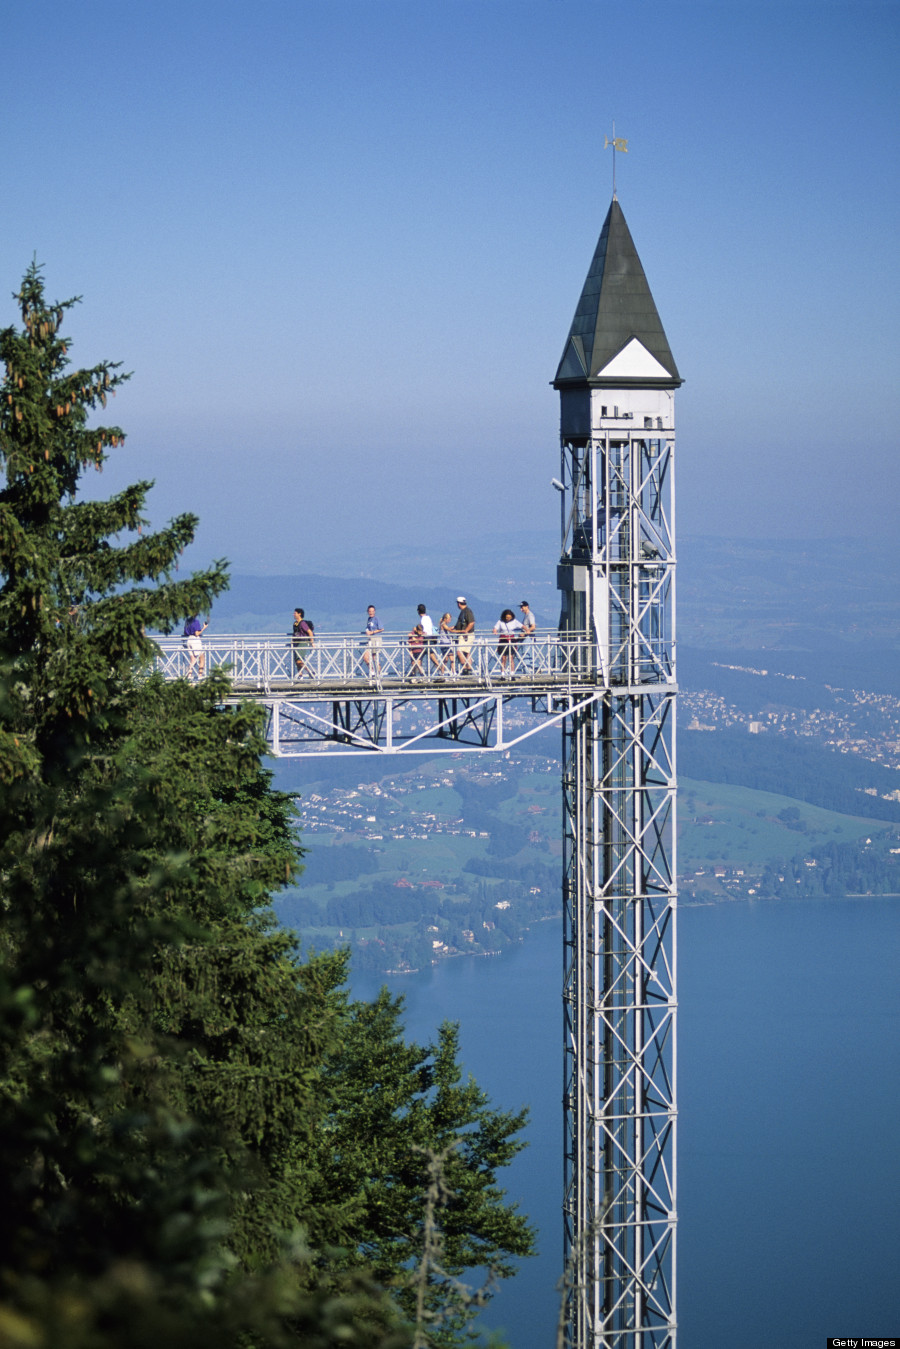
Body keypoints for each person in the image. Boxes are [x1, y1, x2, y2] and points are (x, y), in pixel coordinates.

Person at [493, 608, 523, 675]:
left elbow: (522, 626)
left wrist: (526, 631)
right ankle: (502, 674)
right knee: (503, 658)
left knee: (511, 658)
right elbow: (495, 628)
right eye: (507, 617)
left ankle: (512, 674)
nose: (508, 619)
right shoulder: (500, 622)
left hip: (511, 640)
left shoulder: (514, 621)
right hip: (503, 640)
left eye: (509, 617)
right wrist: (495, 631)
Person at [416, 603, 441, 673]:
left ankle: (421, 674)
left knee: (420, 657)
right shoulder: (428, 618)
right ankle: (439, 670)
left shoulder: (423, 620)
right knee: (428, 656)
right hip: (431, 638)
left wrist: (417, 632)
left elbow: (424, 631)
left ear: (418, 611)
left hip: (426, 639)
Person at [454, 595, 475, 674]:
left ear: (459, 604)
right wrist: (454, 628)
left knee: (459, 651)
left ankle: (465, 668)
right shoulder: (464, 611)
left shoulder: (467, 611)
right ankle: (468, 669)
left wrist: (465, 631)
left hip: (466, 635)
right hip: (465, 634)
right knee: (466, 652)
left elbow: (471, 622)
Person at [183, 613, 208, 680]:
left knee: (193, 659)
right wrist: (204, 628)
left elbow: (185, 632)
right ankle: (200, 675)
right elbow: (197, 633)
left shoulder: (187, 621)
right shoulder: (196, 622)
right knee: (202, 658)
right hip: (195, 640)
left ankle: (189, 675)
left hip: (189, 640)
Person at [292, 607, 315, 676]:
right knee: (296, 661)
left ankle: (309, 671)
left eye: (295, 613)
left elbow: (310, 632)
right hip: (296, 642)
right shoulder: (295, 623)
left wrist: (312, 642)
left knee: (299, 660)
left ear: (299, 614)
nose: (293, 614)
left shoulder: (302, 623)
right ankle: (300, 675)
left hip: (302, 642)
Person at [363, 604, 383, 674]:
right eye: (370, 611)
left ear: (374, 611)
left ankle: (378, 675)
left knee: (375, 658)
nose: (371, 612)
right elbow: (368, 627)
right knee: (365, 656)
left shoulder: (376, 619)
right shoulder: (369, 619)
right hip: (370, 640)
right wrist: (367, 631)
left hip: (376, 639)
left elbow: (381, 629)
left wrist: (372, 632)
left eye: (372, 611)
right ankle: (372, 672)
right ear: (368, 612)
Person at [519, 599, 536, 669]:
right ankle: (536, 668)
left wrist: (525, 633)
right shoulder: (527, 615)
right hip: (526, 637)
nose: (521, 609)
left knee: (526, 655)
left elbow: (533, 627)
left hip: (528, 637)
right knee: (529, 654)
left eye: (522, 607)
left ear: (527, 607)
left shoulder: (530, 615)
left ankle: (527, 673)